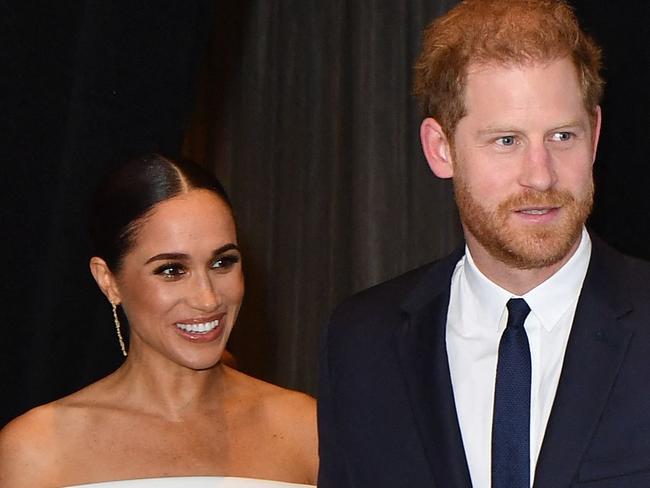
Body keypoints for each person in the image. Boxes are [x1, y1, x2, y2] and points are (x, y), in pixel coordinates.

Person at [318, 1, 650, 487]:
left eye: (562, 135)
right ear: (441, 148)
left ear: (595, 135)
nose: (540, 175)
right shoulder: (361, 344)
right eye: (506, 141)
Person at [0, 154, 318, 487]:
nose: (207, 298)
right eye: (172, 270)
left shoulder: (308, 428)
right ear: (108, 280)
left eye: (222, 262)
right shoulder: (38, 448)